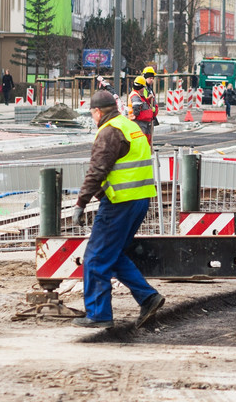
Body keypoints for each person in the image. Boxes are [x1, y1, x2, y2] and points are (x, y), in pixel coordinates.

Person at [70, 90, 165, 329]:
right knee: (114, 254)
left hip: (120, 203)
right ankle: (148, 297)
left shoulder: (109, 132)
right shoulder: (130, 126)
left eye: (92, 113)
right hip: (140, 199)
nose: (92, 118)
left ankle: (99, 315)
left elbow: (97, 171)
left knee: (96, 256)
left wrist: (81, 203)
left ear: (98, 111)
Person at [127, 76, 155, 144]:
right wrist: (136, 115)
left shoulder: (137, 95)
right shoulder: (135, 95)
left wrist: (148, 99)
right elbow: (136, 107)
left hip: (142, 122)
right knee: (141, 141)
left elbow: (141, 104)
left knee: (145, 140)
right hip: (138, 121)